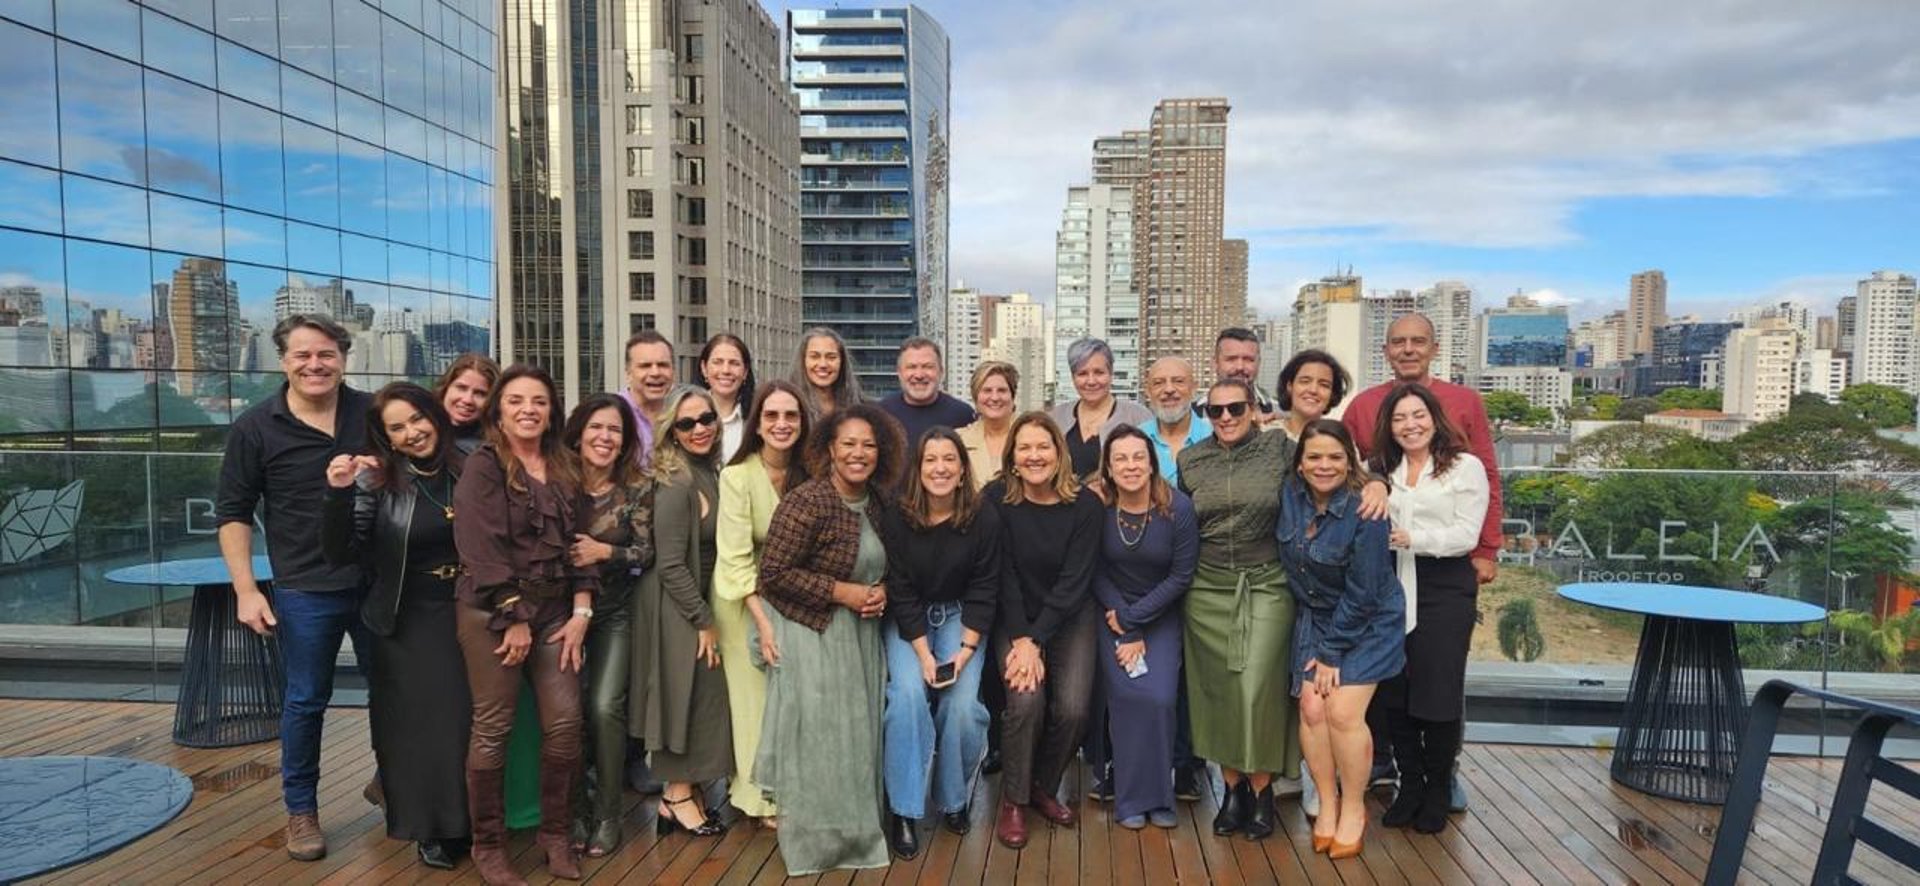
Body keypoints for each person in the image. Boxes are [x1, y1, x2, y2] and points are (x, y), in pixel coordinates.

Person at [215, 314, 374, 862]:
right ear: (283, 361)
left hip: (378, 580)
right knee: (306, 700)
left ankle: (393, 779)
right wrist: (246, 589)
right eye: (303, 355)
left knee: (399, 690)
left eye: (325, 354)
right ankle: (301, 810)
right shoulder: (256, 427)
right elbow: (232, 513)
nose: (315, 365)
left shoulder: (372, 412)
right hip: (305, 586)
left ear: (343, 358)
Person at [1341, 312, 1502, 811]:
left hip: (1444, 575)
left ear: (1434, 348)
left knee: (1440, 681)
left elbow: (1488, 482)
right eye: (1398, 342)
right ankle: (1403, 780)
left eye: (1418, 342)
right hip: (1389, 578)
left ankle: (1440, 779)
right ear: (1386, 350)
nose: (1407, 349)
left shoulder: (1465, 415)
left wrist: (1486, 549)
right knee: (1394, 684)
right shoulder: (1366, 413)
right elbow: (1352, 473)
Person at [451, 364, 597, 884]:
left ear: (552, 409)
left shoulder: (564, 465)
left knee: (564, 723)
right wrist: (512, 616)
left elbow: (579, 545)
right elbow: (480, 549)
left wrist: (581, 611)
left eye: (538, 400)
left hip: (556, 611)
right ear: (499, 409)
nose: (528, 409)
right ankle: (487, 845)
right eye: (516, 400)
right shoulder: (484, 466)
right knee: (494, 727)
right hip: (492, 613)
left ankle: (555, 836)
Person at [319, 383, 470, 871]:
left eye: (417, 419)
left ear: (435, 415)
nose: (412, 432)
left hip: (466, 609)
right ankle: (428, 828)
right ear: (385, 438)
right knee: (415, 729)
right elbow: (342, 552)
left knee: (462, 723)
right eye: (397, 428)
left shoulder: (468, 467)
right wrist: (338, 495)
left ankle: (463, 819)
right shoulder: (376, 481)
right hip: (406, 614)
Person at [755, 404, 901, 874]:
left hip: (862, 638)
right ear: (830, 450)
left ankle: (858, 837)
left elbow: (890, 565)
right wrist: (846, 593)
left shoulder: (879, 502)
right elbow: (773, 574)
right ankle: (817, 845)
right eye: (849, 444)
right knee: (820, 741)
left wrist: (880, 595)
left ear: (881, 452)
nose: (859, 453)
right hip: (813, 633)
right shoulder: (807, 500)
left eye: (868, 444)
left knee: (858, 740)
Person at [1277, 420, 1406, 859]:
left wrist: (1331, 653)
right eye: (1314, 456)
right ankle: (1326, 804)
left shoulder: (1365, 510)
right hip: (1316, 615)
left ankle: (1354, 807)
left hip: (1366, 620)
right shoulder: (1289, 497)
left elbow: (1365, 590)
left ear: (1350, 461)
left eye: (1335, 456)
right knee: (1311, 707)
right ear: (1299, 464)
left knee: (1343, 712)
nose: (1324, 465)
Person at [1176, 378, 1297, 840]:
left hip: (1266, 582)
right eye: (1215, 410)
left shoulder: (1279, 450)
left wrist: (1378, 487)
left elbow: (1334, 470)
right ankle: (1231, 791)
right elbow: (1177, 518)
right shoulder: (1191, 459)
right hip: (1206, 588)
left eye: (1235, 409)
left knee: (1257, 688)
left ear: (1253, 408)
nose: (1225, 418)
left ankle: (1263, 789)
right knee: (1218, 691)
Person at [1371, 383, 1487, 835]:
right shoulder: (1381, 468)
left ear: (1435, 417)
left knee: (1437, 691)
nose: (1409, 425)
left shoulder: (1464, 467)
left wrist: (1414, 539)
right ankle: (1410, 786)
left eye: (1417, 415)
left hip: (1444, 585)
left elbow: (1467, 534)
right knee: (1396, 691)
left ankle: (1438, 788)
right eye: (1400, 418)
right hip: (1393, 585)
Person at [879, 427, 1000, 859]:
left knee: (963, 704)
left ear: (963, 467)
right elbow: (899, 586)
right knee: (908, 696)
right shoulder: (896, 514)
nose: (940, 468)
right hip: (909, 619)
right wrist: (924, 654)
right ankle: (905, 809)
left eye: (949, 459)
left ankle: (952, 798)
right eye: (931, 459)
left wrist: (963, 653)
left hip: (960, 617)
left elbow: (986, 587)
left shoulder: (983, 516)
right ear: (918, 466)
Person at [988, 412, 1103, 850]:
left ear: (1060, 453)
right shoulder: (996, 499)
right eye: (1026, 448)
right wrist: (1023, 639)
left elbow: (1075, 581)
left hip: (1070, 615)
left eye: (1043, 447)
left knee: (1073, 709)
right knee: (1025, 697)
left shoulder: (1086, 506)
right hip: (1014, 617)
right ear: (1013, 457)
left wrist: (1037, 639)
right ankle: (1014, 802)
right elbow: (1003, 575)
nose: (1035, 456)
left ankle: (1041, 784)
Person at [631, 387, 732, 837]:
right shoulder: (675, 481)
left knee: (701, 698)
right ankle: (676, 794)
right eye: (687, 423)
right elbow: (670, 563)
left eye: (706, 418)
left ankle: (683, 792)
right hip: (678, 603)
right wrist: (702, 620)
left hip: (700, 598)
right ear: (671, 429)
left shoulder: (709, 470)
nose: (699, 429)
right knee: (683, 697)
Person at [713, 381, 812, 828]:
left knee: (796, 698)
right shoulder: (736, 476)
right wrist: (765, 624)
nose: (781, 424)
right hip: (743, 600)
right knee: (755, 701)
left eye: (791, 416)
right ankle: (759, 797)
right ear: (758, 423)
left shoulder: (811, 474)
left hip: (796, 599)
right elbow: (733, 558)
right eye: (771, 416)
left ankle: (798, 784)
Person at [560, 394, 654, 857]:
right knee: (569, 713)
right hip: (560, 614)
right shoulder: (556, 480)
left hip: (614, 610)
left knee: (603, 707)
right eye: (596, 427)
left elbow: (646, 550)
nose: (604, 437)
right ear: (578, 433)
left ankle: (610, 813)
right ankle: (575, 811)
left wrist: (605, 553)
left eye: (614, 430)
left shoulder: (636, 487)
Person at [1092, 426, 1198, 830]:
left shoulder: (1178, 508)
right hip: (1110, 611)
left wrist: (1135, 622)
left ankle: (1160, 795)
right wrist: (1122, 620)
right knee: (1126, 697)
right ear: (1109, 467)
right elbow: (1095, 569)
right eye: (1121, 458)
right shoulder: (1099, 507)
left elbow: (1181, 575)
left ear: (1152, 463)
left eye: (1139, 457)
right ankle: (1131, 799)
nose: (1131, 466)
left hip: (1160, 613)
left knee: (1160, 699)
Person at [1140, 355, 1210, 801]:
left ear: (1194, 385)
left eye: (1178, 381)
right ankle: (1139, 760)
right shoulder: (1134, 439)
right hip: (1142, 575)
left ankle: (1187, 762)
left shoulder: (1214, 432)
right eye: (1160, 382)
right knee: (1145, 670)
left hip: (1203, 574)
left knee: (1191, 673)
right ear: (1147, 390)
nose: (1169, 390)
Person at [1049, 338, 1152, 482]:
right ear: (1073, 377)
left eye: (1099, 372)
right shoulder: (1056, 418)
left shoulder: (1138, 417)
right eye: (1082, 374)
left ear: (1111, 374)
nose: (1091, 381)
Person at [877, 337, 976, 446]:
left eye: (928, 367)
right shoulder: (880, 414)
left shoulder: (962, 415)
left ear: (941, 372)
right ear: (899, 373)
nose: (919, 375)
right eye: (911, 367)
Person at [955, 361, 1018, 490]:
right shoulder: (957, 441)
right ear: (975, 398)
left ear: (1012, 396)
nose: (994, 397)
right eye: (987, 390)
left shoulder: (1032, 438)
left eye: (1002, 390)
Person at [620, 330, 678, 465]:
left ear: (673, 371)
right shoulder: (613, 413)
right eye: (645, 366)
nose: (655, 372)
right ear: (628, 373)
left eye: (663, 365)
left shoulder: (684, 411)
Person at [1205, 328, 1281, 425]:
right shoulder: (1193, 413)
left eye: (1248, 359)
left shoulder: (1278, 413)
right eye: (1231, 359)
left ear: (1259, 363)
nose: (1240, 367)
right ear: (1215, 363)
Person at [699, 333, 756, 462]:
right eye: (717, 362)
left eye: (734, 363)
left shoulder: (757, 418)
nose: (726, 370)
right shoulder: (685, 413)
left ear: (745, 371)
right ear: (704, 368)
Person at [790, 326, 865, 420]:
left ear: (842, 362)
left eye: (831, 357)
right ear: (803, 361)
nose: (823, 364)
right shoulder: (789, 405)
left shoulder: (862, 408)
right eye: (814, 356)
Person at [1277, 349, 1351, 442]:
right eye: (1305, 381)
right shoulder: (1263, 432)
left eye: (1324, 385)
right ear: (1290, 386)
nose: (1313, 390)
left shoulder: (1340, 440)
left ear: (1332, 394)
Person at [435, 353, 500, 455]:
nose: (467, 400)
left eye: (480, 393)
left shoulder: (496, 451)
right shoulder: (422, 434)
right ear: (445, 388)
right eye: (461, 388)